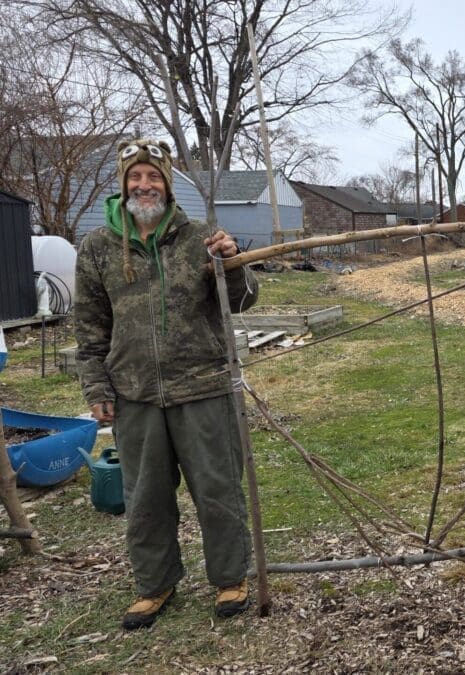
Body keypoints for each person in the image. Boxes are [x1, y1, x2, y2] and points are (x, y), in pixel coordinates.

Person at [74, 139, 259, 630]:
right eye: (135, 177)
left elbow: (242, 301)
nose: (144, 185)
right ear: (123, 184)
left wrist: (232, 262)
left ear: (167, 184)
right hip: (133, 392)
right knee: (145, 498)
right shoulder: (97, 248)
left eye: (153, 176)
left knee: (217, 488)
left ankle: (230, 578)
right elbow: (89, 325)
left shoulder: (200, 237)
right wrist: (97, 388)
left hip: (202, 386)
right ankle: (154, 584)